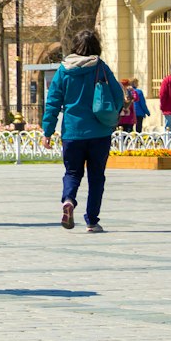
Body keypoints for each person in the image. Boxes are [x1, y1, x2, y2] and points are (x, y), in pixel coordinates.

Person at [42, 29, 125, 233]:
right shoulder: (101, 67)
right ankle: (92, 221)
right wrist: (113, 116)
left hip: (72, 132)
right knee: (96, 177)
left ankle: (68, 200)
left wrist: (48, 131)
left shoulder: (63, 70)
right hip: (99, 132)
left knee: (72, 172)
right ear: (96, 47)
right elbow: (117, 95)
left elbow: (52, 102)